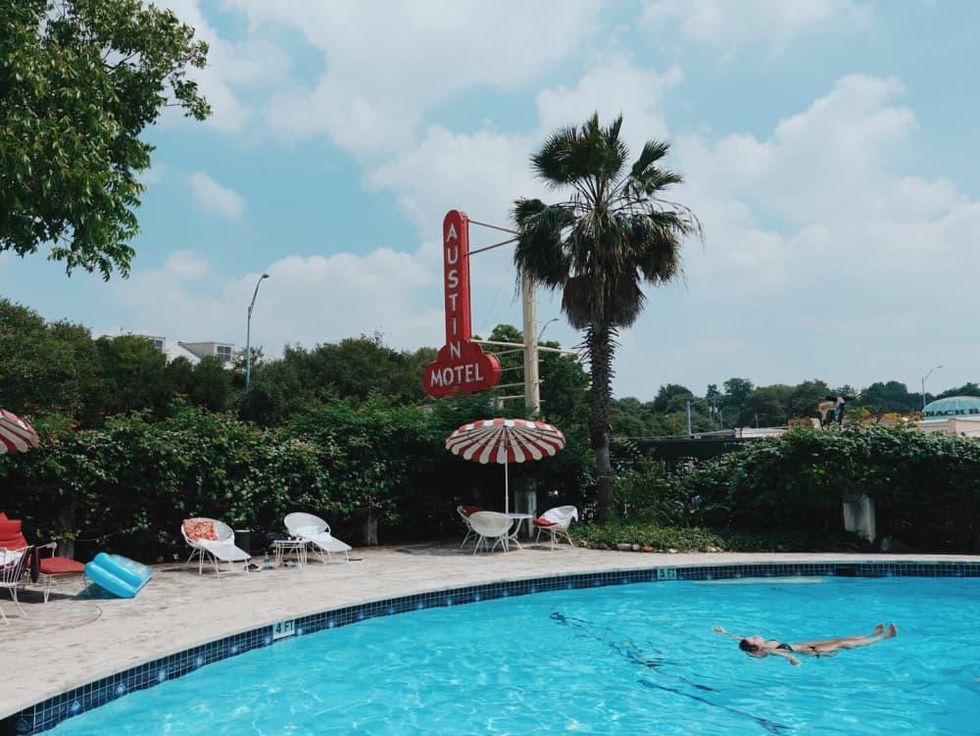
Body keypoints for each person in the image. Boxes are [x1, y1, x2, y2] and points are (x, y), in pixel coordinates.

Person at [713, 623, 898, 666]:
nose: (756, 635)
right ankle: (883, 637)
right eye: (754, 638)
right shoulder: (767, 648)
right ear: (756, 647)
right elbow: (781, 654)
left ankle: (871, 634)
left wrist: (724, 632)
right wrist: (792, 659)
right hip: (810, 651)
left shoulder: (757, 646)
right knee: (842, 644)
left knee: (838, 638)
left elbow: (738, 639)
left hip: (804, 644)